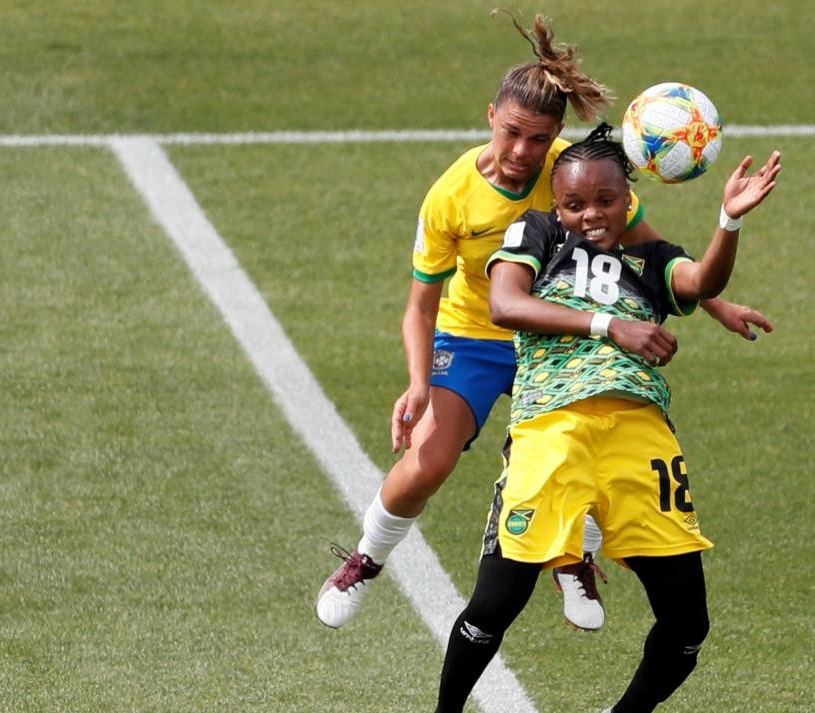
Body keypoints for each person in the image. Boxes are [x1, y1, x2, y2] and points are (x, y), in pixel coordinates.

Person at [316, 11, 773, 633]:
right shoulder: (450, 196)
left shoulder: (573, 173)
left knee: (585, 439)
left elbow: (649, 246)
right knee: (428, 461)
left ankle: (573, 559)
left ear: (557, 134)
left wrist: (715, 303)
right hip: (478, 336)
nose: (521, 153)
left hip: (565, 335)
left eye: (538, 139)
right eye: (511, 134)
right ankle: (366, 559)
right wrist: (419, 384)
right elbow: (420, 306)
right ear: (490, 118)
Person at [432, 124, 782, 712]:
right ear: (556, 204)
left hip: (640, 441)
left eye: (604, 201)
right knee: (494, 606)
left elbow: (701, 282)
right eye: (573, 203)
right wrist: (609, 324)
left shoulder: (652, 260)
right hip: (551, 432)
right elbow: (506, 303)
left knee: (688, 626)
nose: (589, 214)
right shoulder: (538, 232)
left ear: (628, 200)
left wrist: (729, 222)